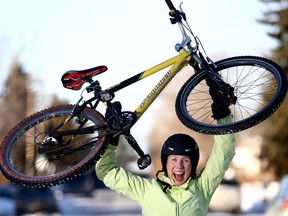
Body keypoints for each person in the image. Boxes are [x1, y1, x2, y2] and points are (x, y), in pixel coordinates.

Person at [95, 83, 235, 215]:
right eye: (173, 159)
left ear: (193, 164)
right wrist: (111, 136)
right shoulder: (147, 190)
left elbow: (223, 153)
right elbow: (106, 171)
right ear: (165, 163)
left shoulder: (203, 187)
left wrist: (223, 117)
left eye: (185, 160)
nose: (179, 166)